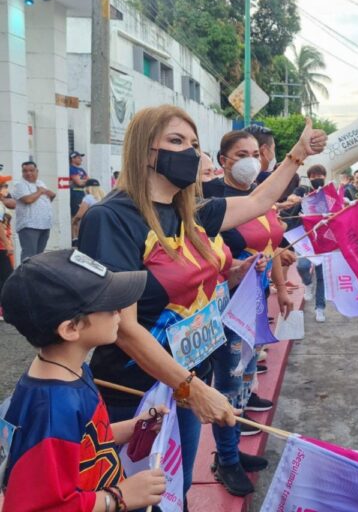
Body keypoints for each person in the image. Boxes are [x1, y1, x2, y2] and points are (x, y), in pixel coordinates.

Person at [77, 105, 326, 504]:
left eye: (194, 144)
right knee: (132, 498)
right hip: (135, 392)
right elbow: (123, 328)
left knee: (178, 490)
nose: (190, 153)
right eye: (176, 141)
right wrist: (190, 388)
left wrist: (297, 154)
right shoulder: (112, 219)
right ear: (145, 151)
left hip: (186, 384)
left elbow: (261, 200)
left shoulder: (192, 214)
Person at [0, 249, 166, 511]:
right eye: (110, 305)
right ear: (70, 329)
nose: (120, 312)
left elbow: (81, 445)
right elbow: (44, 506)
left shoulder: (71, 370)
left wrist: (132, 428)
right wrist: (120, 496)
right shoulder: (52, 409)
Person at [203, 130, 292, 495]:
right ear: (223, 160)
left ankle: (234, 449)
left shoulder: (262, 197)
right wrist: (234, 266)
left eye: (256, 153)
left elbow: (271, 248)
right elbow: (199, 255)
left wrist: (282, 286)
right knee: (227, 380)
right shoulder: (209, 200)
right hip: (225, 303)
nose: (251, 160)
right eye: (241, 154)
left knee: (244, 376)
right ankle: (225, 460)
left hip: (255, 298)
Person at [297, 164, 328, 322]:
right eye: (314, 176)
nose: (317, 179)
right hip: (305, 238)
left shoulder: (330, 193)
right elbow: (292, 200)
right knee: (301, 266)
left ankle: (320, 308)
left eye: (320, 176)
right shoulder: (303, 191)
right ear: (309, 178)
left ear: (325, 176)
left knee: (322, 276)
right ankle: (307, 282)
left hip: (324, 240)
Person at [11, 161, 55, 261]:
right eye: (25, 171)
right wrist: (40, 191)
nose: (28, 173)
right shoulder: (20, 185)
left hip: (44, 224)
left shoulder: (40, 183)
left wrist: (51, 195)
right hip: (29, 226)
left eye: (31, 170)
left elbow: (48, 197)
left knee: (39, 256)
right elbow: (28, 200)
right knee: (29, 256)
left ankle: (35, 276)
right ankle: (24, 276)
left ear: (37, 171)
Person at [71, 178, 105, 244]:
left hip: (91, 225)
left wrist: (74, 221)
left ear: (87, 188)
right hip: (103, 224)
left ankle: (75, 240)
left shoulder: (88, 198)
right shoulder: (104, 197)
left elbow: (79, 215)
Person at [69, 151, 88, 218]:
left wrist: (82, 181)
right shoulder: (71, 168)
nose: (81, 159)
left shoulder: (81, 170)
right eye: (79, 157)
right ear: (73, 159)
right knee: (76, 215)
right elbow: (79, 182)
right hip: (75, 194)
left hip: (82, 193)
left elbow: (89, 181)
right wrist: (83, 181)